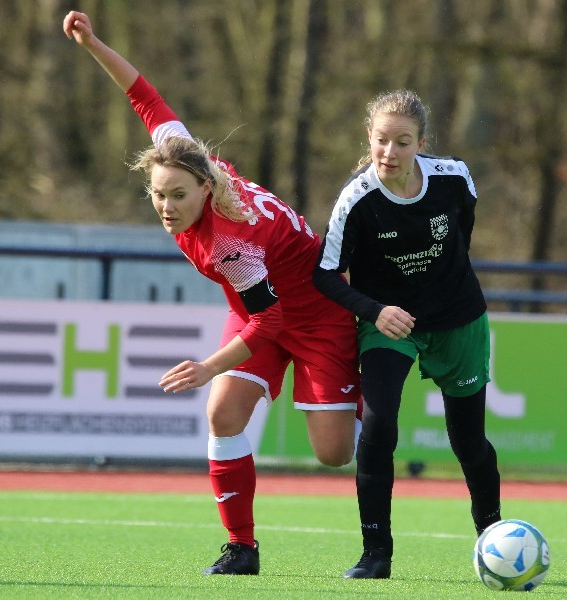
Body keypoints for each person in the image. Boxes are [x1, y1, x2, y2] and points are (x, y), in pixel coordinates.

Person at [63, 10, 361, 576]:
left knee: (332, 454)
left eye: (178, 196)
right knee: (223, 413)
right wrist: (94, 42)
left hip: (317, 315)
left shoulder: (230, 242)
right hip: (259, 308)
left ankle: (366, 385)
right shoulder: (187, 157)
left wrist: (208, 365)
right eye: (157, 195)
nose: (166, 207)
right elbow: (145, 99)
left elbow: (268, 323)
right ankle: (241, 548)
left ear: (206, 187)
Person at [313, 90, 501, 579]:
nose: (389, 153)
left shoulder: (454, 178)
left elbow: (464, 236)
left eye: (402, 142)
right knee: (377, 427)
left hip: (458, 319)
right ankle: (376, 553)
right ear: (368, 139)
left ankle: (494, 537)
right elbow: (326, 273)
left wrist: (441, 295)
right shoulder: (356, 199)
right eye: (381, 141)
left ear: (421, 143)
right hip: (389, 324)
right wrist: (375, 311)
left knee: (468, 441)